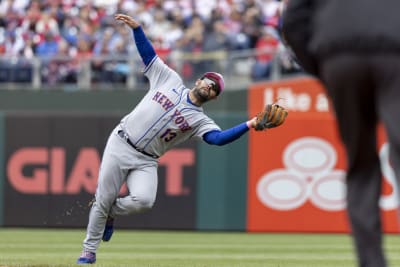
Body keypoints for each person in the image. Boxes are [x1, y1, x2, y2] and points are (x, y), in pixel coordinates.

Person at [76, 13, 279, 264]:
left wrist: (249, 124)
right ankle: (89, 251)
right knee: (103, 197)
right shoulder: (169, 79)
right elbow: (148, 56)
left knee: (144, 201)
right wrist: (138, 29)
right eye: (208, 81)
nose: (209, 86)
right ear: (198, 79)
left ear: (214, 98)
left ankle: (107, 212)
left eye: (214, 88)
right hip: (121, 142)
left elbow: (217, 139)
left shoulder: (200, 120)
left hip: (146, 160)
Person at [281, 1, 400, 267]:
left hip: (339, 52)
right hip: (394, 48)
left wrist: (322, 65)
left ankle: (371, 262)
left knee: (360, 166)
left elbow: (293, 19)